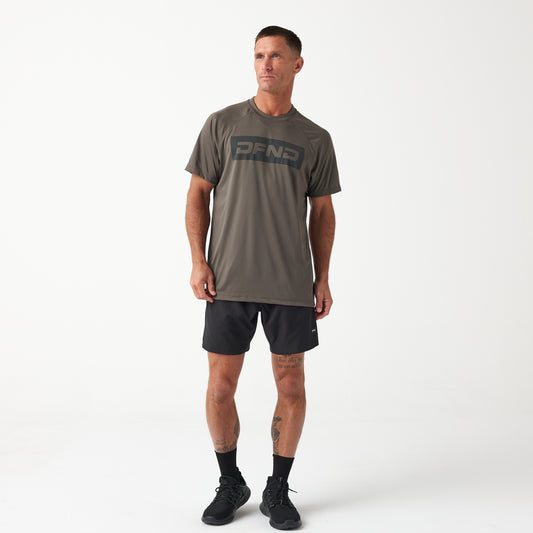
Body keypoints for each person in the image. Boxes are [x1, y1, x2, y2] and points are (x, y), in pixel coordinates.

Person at [185, 25, 341, 530]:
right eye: (258, 55)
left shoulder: (315, 138)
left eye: (275, 55)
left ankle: (277, 488)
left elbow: (322, 212)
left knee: (291, 385)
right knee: (219, 388)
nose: (266, 64)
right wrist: (198, 260)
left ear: (297, 64)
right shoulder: (222, 124)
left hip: (290, 285)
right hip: (227, 282)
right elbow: (197, 194)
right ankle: (231, 481)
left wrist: (322, 277)